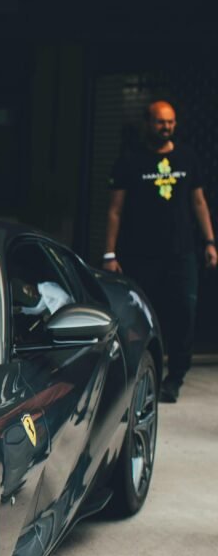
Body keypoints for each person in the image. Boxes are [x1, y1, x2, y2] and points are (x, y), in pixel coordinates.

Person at [103, 100, 217, 402]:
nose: (166, 127)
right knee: (144, 315)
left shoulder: (187, 158)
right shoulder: (130, 161)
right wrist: (109, 254)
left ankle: (175, 377)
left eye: (170, 122)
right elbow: (115, 210)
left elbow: (199, 202)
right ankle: (140, 373)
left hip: (181, 254)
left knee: (184, 313)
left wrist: (209, 242)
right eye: (159, 122)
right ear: (147, 123)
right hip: (142, 254)